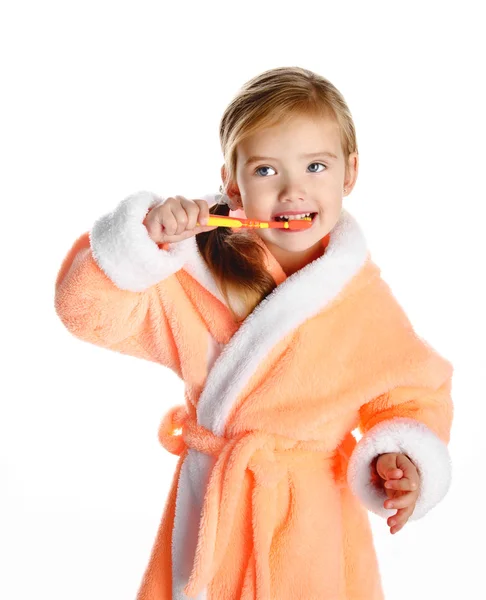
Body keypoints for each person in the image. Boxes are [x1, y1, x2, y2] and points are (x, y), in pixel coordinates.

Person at [54, 66, 454, 600]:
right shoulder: (196, 271)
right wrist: (145, 242)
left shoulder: (359, 300)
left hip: (311, 526)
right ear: (231, 181)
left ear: (349, 174)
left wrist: (399, 457)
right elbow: (86, 312)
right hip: (213, 514)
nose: (293, 190)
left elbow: (412, 393)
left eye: (316, 165)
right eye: (266, 170)